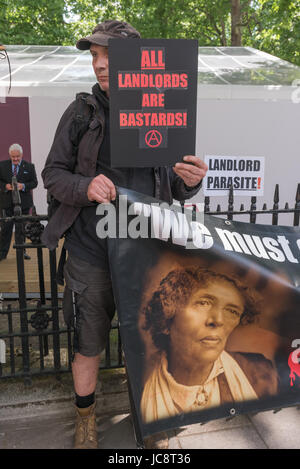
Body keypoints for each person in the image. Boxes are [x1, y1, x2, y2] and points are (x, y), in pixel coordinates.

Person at [41, 20, 208, 449]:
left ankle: (150, 423)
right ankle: (85, 419)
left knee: (150, 343)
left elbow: (173, 184)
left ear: (138, 62)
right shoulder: (81, 112)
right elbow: (52, 174)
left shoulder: (163, 107)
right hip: (90, 251)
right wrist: (85, 185)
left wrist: (189, 180)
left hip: (144, 253)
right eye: (94, 56)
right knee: (88, 343)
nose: (98, 65)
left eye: (108, 56)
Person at [140, 267, 279, 423]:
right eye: (203, 303)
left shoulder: (261, 374)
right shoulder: (139, 384)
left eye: (232, 311)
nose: (218, 320)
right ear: (167, 317)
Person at [0, 143, 38, 261]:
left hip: (24, 204)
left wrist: (24, 186)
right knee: (5, 230)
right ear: (10, 155)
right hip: (6, 203)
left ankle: (22, 252)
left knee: (21, 229)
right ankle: (2, 253)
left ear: (21, 155)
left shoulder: (29, 166)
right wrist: (5, 186)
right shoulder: (2, 166)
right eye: (13, 157)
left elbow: (34, 183)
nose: (15, 159)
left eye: (17, 156)